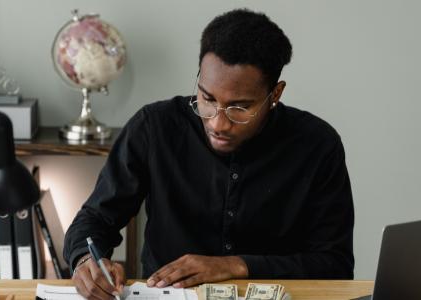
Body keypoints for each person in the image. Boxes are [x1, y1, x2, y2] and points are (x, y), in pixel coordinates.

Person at [64, 8, 354, 300]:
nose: (218, 123)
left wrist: (238, 266)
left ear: (275, 94)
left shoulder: (317, 145)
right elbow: (94, 220)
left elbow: (335, 265)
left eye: (239, 107)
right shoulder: (154, 127)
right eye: (207, 98)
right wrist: (87, 262)